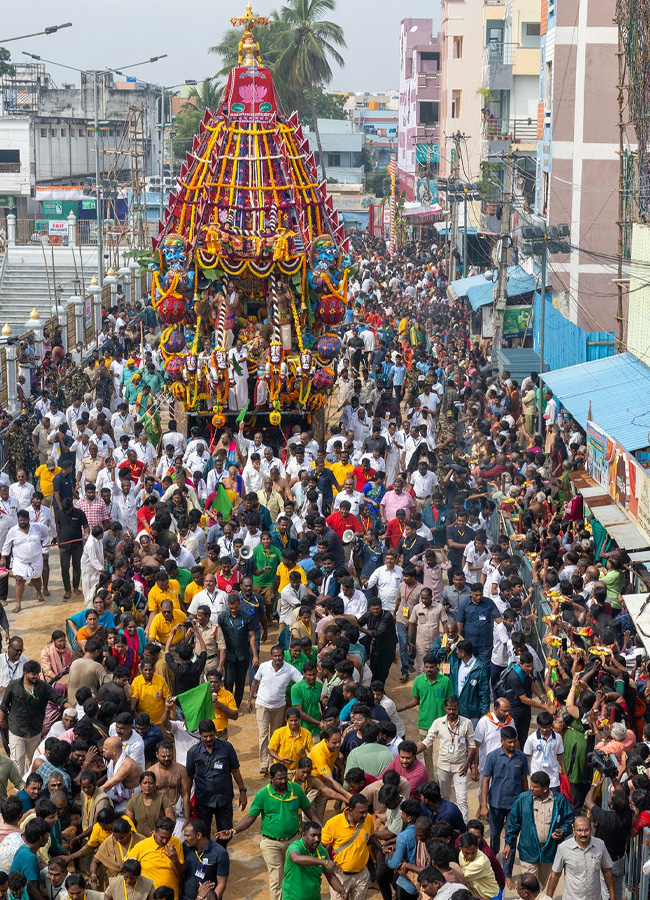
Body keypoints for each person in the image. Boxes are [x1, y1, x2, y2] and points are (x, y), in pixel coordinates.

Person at [218, 763, 320, 900]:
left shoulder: (295, 789)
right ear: (271, 778)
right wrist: (233, 831)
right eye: (280, 779)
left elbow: (308, 808)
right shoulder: (262, 795)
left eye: (285, 778)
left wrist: (319, 826)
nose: (283, 781)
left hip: (294, 841)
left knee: (295, 874)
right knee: (277, 878)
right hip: (271, 844)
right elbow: (250, 817)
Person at [504, 771, 574, 891]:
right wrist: (509, 843)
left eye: (535, 787)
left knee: (540, 887)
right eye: (531, 785)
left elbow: (569, 820)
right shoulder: (523, 799)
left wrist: (562, 831)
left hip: (548, 852)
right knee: (530, 886)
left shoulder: (559, 800)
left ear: (545, 789)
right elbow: (513, 824)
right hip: (528, 851)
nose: (531, 789)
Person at [479, 725, 529, 883]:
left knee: (511, 839)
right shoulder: (492, 756)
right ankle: (493, 869)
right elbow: (486, 780)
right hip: (495, 804)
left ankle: (507, 874)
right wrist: (483, 805)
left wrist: (526, 801)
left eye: (514, 741)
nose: (512, 745)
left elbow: (524, 781)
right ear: (501, 741)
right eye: (509, 742)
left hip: (515, 806)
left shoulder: (521, 757)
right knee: (494, 837)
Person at [416, 696, 477, 821]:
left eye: (454, 709)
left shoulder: (466, 723)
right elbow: (428, 740)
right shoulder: (438, 723)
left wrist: (467, 764)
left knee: (462, 799)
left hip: (460, 767)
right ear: (445, 708)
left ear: (458, 708)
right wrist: (413, 752)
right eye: (449, 709)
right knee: (443, 798)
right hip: (443, 765)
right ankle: (444, 824)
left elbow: (472, 745)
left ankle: (463, 827)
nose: (451, 712)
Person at [185, 719, 247, 837]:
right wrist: (187, 800)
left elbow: (235, 770)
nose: (208, 739)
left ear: (216, 733)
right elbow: (189, 777)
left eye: (211, 735)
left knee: (225, 833)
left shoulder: (227, 748)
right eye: (205, 736)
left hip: (224, 799)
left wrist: (242, 791)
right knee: (203, 834)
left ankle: (221, 853)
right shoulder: (193, 752)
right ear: (200, 735)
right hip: (203, 801)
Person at [0, 661, 64, 775]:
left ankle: (29, 782)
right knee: (17, 761)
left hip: (35, 731)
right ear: (25, 673)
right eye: (33, 674)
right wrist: (1, 721)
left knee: (32, 759)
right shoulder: (13, 685)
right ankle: (19, 789)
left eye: (37, 674)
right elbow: (4, 705)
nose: (36, 676)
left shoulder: (43, 686)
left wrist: (69, 709)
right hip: (16, 730)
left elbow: (58, 698)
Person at [249, 645, 302, 776]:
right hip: (262, 704)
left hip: (279, 707)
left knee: (275, 736)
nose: (277, 658)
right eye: (275, 655)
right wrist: (249, 699)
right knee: (263, 734)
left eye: (280, 655)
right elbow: (255, 682)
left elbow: (301, 682)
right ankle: (263, 764)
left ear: (283, 656)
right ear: (272, 656)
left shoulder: (289, 669)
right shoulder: (264, 666)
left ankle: (274, 762)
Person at [397, 656, 454, 777]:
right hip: (424, 723)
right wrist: (404, 707)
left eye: (431, 667)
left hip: (442, 725)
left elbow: (451, 702)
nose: (428, 669)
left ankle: (442, 778)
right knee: (427, 755)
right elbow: (416, 700)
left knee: (442, 754)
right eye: (426, 667)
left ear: (436, 667)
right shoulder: (418, 681)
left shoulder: (445, 681)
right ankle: (431, 780)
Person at [321, 793, 379, 900]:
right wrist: (325, 863)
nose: (365, 815)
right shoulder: (333, 823)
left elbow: (371, 836)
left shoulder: (368, 819)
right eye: (362, 812)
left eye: (366, 811)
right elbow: (321, 846)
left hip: (362, 874)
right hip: (340, 875)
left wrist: (381, 847)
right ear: (351, 810)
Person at [546, 817, 615, 900]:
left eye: (586, 830)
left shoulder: (600, 845)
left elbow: (607, 871)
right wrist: (548, 897)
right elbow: (555, 875)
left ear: (591, 829)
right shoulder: (563, 848)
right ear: (574, 830)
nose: (583, 834)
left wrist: (612, 896)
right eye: (579, 830)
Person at [282, 821, 347, 900]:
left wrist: (342, 891)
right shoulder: (296, 846)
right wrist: (323, 862)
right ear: (304, 835)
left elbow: (330, 876)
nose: (317, 839)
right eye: (313, 835)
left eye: (319, 836)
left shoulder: (322, 851)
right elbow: (296, 858)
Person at [129, 817, 185, 900]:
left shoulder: (176, 843)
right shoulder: (142, 845)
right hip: (147, 896)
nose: (165, 841)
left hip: (170, 896)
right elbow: (127, 867)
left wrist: (175, 860)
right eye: (162, 837)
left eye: (168, 837)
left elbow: (182, 873)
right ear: (154, 832)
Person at [182, 818, 229, 900]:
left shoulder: (220, 853)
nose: (185, 838)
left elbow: (221, 884)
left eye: (187, 836)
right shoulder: (185, 846)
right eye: (184, 835)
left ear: (198, 835)